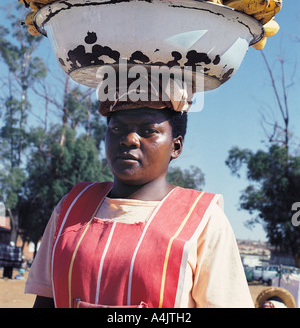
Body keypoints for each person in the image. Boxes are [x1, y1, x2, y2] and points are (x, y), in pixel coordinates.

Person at [25, 86, 254, 308]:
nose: (129, 139)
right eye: (116, 129)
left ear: (176, 146)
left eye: (148, 131)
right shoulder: (71, 207)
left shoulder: (203, 220)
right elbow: (46, 300)